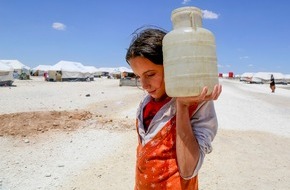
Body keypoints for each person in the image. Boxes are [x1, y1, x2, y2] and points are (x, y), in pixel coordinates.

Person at [125, 27, 222, 190]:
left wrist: (182, 107)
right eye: (138, 76)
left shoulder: (197, 104)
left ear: (172, 68)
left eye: (150, 74)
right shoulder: (146, 103)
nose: (144, 85)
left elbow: (188, 169)